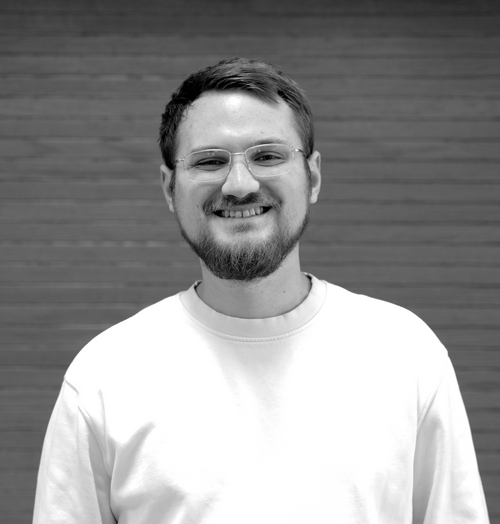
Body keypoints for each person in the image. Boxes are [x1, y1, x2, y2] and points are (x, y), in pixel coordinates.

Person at [33, 57, 489, 523]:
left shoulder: (406, 354)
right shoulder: (105, 377)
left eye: (267, 156)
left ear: (312, 176)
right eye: (210, 161)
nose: (239, 185)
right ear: (170, 188)